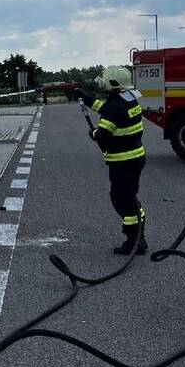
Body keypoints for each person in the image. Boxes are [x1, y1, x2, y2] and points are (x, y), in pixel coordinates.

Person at [74, 66, 147, 255]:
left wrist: (94, 133)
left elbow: (103, 135)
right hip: (135, 158)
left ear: (113, 83)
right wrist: (85, 96)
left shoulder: (116, 107)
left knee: (121, 200)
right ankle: (140, 238)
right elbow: (105, 108)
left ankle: (133, 240)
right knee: (130, 198)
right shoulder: (129, 99)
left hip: (123, 162)